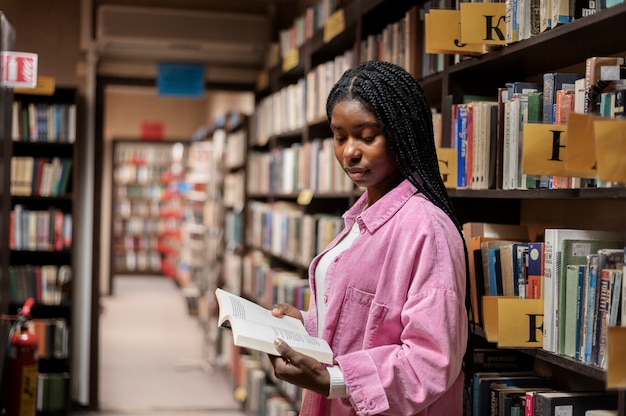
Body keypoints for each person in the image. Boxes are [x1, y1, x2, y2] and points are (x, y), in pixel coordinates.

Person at [269, 60, 471, 416]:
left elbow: (432, 360)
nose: (349, 152)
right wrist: (306, 323)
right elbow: (363, 326)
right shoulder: (361, 216)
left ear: (401, 133)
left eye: (367, 136)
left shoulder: (426, 228)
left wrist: (334, 380)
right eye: (339, 136)